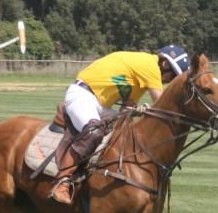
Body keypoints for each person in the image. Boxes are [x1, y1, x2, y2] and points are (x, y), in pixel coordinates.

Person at [50, 45, 190, 204]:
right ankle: (61, 181)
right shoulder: (150, 66)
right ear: (165, 64)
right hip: (82, 94)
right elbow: (162, 105)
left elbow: (127, 106)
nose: (170, 81)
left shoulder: (140, 78)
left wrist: (135, 109)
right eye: (173, 76)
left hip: (101, 104)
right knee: (94, 132)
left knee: (125, 133)